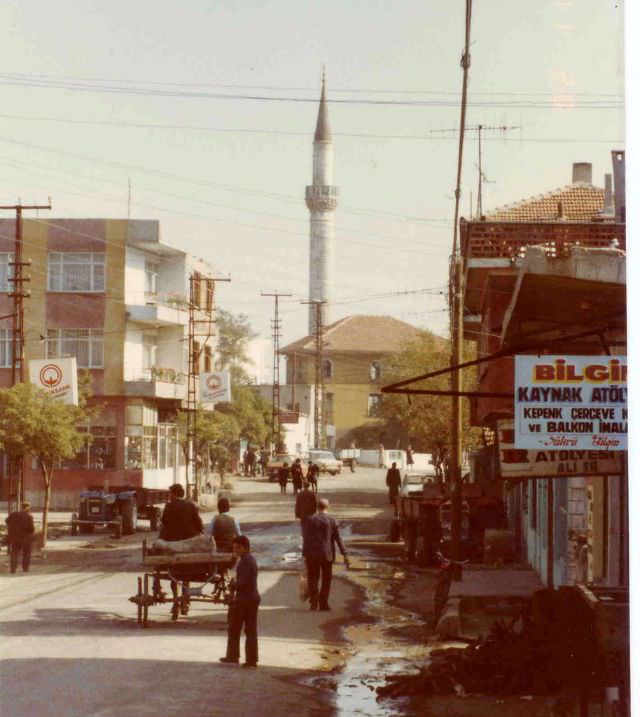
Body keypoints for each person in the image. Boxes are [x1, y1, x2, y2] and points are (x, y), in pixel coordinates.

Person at [159, 484, 203, 616]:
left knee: (174, 574)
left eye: (170, 494)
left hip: (172, 545)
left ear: (173, 494)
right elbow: (199, 524)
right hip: (188, 545)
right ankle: (186, 602)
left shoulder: (169, 507)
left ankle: (176, 601)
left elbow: (164, 523)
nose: (169, 496)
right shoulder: (191, 505)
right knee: (186, 574)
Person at [220, 535, 260, 668]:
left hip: (244, 599)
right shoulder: (249, 559)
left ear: (245, 548)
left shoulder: (245, 562)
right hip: (251, 598)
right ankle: (251, 659)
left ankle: (233, 656)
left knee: (234, 628)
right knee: (250, 630)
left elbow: (242, 583)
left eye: (238, 548)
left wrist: (233, 585)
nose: (236, 550)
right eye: (234, 548)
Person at [303, 498, 349, 611]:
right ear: (328, 507)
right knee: (326, 579)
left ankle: (314, 600)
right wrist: (345, 554)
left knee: (313, 577)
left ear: (317, 507)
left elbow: (306, 539)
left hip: (312, 554)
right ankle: (323, 603)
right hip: (327, 554)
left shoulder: (310, 520)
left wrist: (304, 554)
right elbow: (338, 538)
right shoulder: (332, 521)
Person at [5, 501, 35, 573]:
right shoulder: (29, 517)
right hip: (26, 538)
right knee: (26, 553)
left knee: (14, 552)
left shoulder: (13, 515)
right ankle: (25, 568)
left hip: (15, 537)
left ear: (21, 507)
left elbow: (6, 521)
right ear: (27, 508)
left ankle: (13, 568)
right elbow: (31, 529)